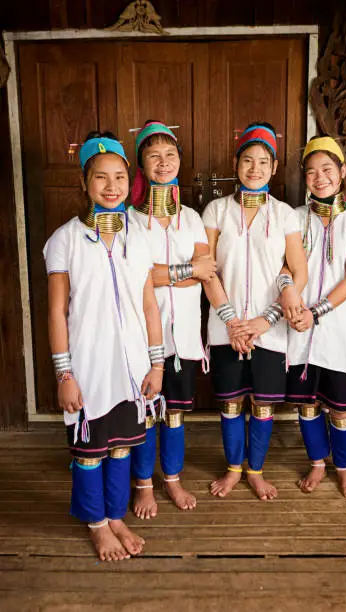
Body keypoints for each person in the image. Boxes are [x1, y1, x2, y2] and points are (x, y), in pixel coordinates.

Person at [44, 131, 164, 561]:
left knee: (121, 447)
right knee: (90, 452)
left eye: (118, 177)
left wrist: (157, 365)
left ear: (129, 181)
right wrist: (65, 375)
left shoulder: (140, 236)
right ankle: (96, 525)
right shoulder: (65, 241)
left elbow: (150, 305)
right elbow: (57, 313)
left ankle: (115, 515)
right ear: (85, 182)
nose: (111, 187)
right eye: (100, 178)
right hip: (89, 368)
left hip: (132, 368)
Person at [201, 122, 308, 500]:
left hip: (270, 327)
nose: (255, 169)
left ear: (274, 168)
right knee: (230, 402)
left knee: (262, 405)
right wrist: (232, 321)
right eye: (248, 160)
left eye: (263, 162)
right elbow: (207, 268)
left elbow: (299, 271)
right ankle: (233, 470)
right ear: (236, 163)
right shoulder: (215, 210)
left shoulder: (284, 215)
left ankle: (256, 471)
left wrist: (265, 321)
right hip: (224, 324)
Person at [129, 120, 216, 518]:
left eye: (170, 155)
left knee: (176, 412)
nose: (163, 163)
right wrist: (185, 271)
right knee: (146, 412)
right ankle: (143, 486)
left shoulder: (193, 219)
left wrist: (168, 272)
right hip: (144, 336)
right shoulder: (129, 219)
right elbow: (138, 276)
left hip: (183, 340)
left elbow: (208, 268)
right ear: (141, 166)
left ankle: (173, 479)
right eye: (154, 156)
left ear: (180, 160)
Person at [286, 135, 346, 498]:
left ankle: (344, 466)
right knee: (306, 405)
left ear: (341, 172)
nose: (319, 177)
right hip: (299, 328)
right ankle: (318, 462)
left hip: (336, 326)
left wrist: (315, 311)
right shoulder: (294, 218)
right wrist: (289, 293)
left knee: (340, 407)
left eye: (326, 169)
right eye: (311, 171)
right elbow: (283, 267)